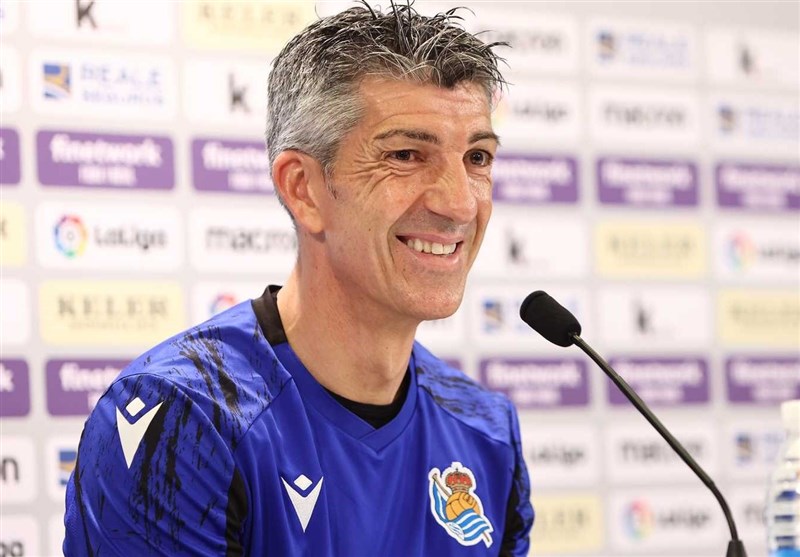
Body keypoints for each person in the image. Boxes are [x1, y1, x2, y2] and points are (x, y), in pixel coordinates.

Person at [63, 3, 534, 556]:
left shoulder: (486, 428)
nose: (460, 204)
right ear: (303, 189)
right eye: (407, 155)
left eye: (477, 157)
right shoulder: (182, 417)